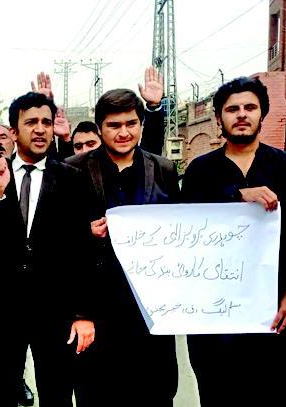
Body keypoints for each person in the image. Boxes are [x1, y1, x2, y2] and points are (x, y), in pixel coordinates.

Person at [181, 77, 286, 406]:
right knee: (218, 392)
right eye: (232, 109)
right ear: (219, 117)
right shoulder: (200, 171)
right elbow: (188, 225)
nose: (241, 114)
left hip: (274, 306)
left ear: (262, 113)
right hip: (215, 309)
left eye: (250, 107)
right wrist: (237, 195)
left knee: (276, 393)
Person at [0, 92, 95, 407]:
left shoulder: (73, 179)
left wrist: (82, 314)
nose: (40, 129)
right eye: (31, 122)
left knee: (57, 394)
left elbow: (83, 250)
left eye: (46, 123)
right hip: (3, 306)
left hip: (55, 307)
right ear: (13, 130)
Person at [64, 68, 176, 407]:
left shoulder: (163, 169)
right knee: (96, 394)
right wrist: (80, 313)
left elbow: (180, 232)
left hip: (150, 307)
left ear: (141, 125)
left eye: (131, 123)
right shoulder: (73, 169)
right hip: (98, 306)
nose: (124, 132)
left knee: (155, 393)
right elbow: (58, 243)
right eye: (114, 125)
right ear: (99, 128)